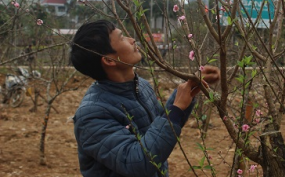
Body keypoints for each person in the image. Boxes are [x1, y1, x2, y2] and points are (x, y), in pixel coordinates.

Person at [70, 20, 220, 177]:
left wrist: (189, 88)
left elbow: (157, 128)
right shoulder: (91, 114)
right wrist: (176, 109)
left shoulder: (141, 86)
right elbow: (136, 163)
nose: (132, 40)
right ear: (109, 60)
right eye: (122, 38)